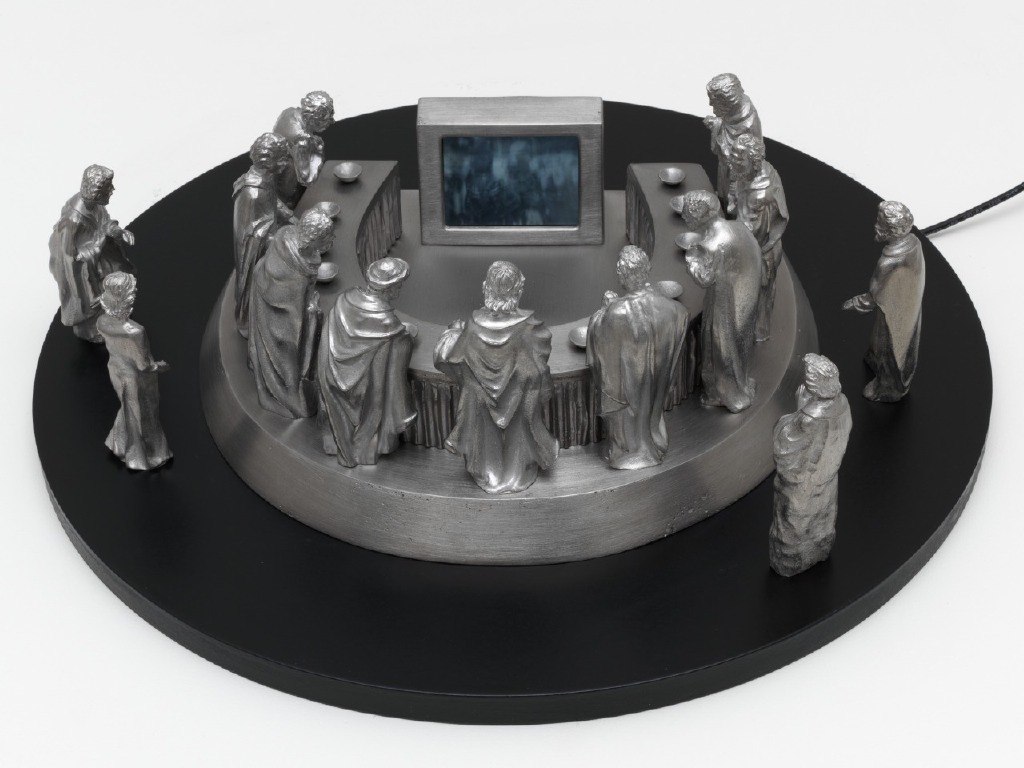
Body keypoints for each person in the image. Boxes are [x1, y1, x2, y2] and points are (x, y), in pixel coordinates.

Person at [434, 261, 558, 493]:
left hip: (480, 396)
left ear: (486, 289)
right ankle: (516, 474)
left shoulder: (473, 325)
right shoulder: (529, 328)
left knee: (485, 435)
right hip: (518, 396)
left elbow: (453, 357)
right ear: (518, 291)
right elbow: (539, 363)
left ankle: (488, 473)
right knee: (518, 434)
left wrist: (453, 333)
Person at [586, 246, 689, 469]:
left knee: (630, 407)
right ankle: (653, 438)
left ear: (622, 274)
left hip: (629, 390)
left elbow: (602, 344)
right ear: (646, 269)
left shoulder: (617, 314)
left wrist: (603, 313)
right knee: (650, 402)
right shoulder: (674, 310)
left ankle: (633, 449)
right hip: (656, 385)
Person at [318, 257, 417, 466]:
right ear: (391, 288)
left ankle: (336, 442)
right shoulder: (388, 324)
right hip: (365, 393)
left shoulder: (344, 300)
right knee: (371, 403)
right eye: (399, 285)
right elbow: (389, 376)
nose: (400, 289)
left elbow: (329, 343)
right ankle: (365, 448)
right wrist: (405, 338)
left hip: (333, 379)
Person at [769, 354, 852, 577]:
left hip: (802, 489)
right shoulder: (843, 404)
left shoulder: (809, 419)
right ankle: (818, 550)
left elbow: (784, 448)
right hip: (828, 482)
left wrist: (800, 408)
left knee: (794, 529)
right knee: (822, 521)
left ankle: (790, 562)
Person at [679, 190, 762, 412]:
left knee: (721, 346)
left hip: (725, 300)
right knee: (739, 343)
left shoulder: (713, 244)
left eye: (688, 214)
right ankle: (739, 385)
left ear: (699, 215)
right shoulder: (737, 227)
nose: (685, 218)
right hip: (745, 290)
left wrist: (691, 260)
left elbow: (704, 278)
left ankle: (728, 395)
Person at [248, 208, 335, 418]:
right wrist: (311, 311)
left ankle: (286, 390)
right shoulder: (299, 266)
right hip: (280, 315)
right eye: (327, 237)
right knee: (287, 355)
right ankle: (286, 396)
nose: (332, 240)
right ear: (313, 238)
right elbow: (293, 304)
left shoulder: (286, 233)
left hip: (269, 294)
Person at [842, 201, 925, 402]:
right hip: (901, 306)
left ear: (893, 231)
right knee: (882, 340)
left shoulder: (889, 262)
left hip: (896, 311)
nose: (876, 227)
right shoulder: (914, 244)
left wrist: (855, 302)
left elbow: (874, 294)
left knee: (890, 347)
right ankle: (874, 361)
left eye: (880, 225)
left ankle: (888, 388)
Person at [48, 165, 136, 342]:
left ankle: (113, 317)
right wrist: (96, 246)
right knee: (94, 302)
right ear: (96, 192)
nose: (112, 190)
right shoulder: (72, 219)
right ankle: (93, 329)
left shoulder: (95, 206)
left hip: (100, 260)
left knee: (118, 276)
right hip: (85, 272)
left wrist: (117, 231)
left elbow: (104, 224)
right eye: (108, 187)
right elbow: (68, 257)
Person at [96, 272, 173, 471]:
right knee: (143, 416)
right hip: (137, 378)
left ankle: (121, 445)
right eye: (132, 290)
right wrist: (162, 366)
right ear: (124, 297)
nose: (135, 292)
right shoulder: (135, 332)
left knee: (128, 410)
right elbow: (144, 365)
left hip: (115, 370)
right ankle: (148, 455)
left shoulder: (102, 322)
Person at [232, 132, 295, 338]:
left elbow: (273, 202)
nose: (285, 164)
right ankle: (248, 318)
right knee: (252, 283)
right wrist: (279, 239)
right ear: (269, 161)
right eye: (281, 159)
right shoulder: (252, 193)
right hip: (254, 251)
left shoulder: (265, 178)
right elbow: (250, 235)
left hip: (269, 238)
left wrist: (290, 218)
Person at [728, 133, 789, 342]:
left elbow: (746, 231)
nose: (733, 163)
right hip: (756, 246)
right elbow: (736, 204)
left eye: (738, 159)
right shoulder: (756, 171)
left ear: (752, 160)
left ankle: (756, 334)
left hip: (760, 252)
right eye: (733, 156)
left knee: (758, 297)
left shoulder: (760, 193)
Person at [703, 73, 762, 202]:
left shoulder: (749, 123)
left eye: (715, 102)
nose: (710, 104)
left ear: (728, 101)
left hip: (739, 176)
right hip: (725, 167)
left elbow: (752, 160)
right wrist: (717, 124)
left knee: (734, 200)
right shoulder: (731, 111)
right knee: (723, 192)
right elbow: (725, 126)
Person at [273, 90, 335, 207]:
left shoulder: (288, 112)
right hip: (289, 191)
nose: (332, 121)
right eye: (326, 119)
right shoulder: (302, 141)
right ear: (316, 118)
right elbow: (307, 179)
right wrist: (318, 153)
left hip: (274, 179)